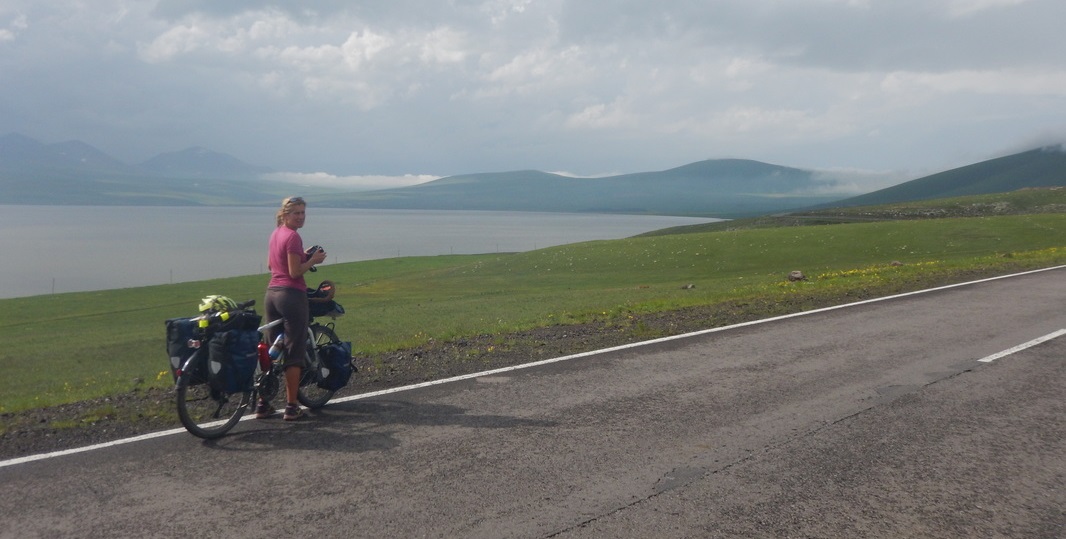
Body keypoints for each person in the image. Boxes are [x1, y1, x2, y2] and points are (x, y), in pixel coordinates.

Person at [258, 196, 327, 421]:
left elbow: (271, 264)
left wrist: (302, 255)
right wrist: (313, 260)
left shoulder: (276, 233)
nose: (300, 217)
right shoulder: (293, 236)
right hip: (291, 296)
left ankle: (263, 403)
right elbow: (295, 272)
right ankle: (291, 406)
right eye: (296, 213)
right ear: (285, 214)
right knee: (294, 351)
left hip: (271, 294)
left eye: (303, 213)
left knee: (272, 349)